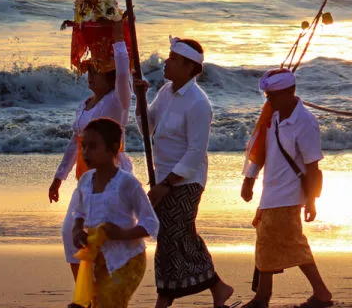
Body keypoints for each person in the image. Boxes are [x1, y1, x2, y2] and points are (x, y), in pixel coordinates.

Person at [141, 38, 234, 308]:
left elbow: (194, 153)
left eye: (172, 58)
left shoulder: (198, 103)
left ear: (187, 65)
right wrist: (141, 97)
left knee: (173, 235)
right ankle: (216, 288)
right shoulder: (165, 92)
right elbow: (148, 129)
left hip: (186, 180)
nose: (166, 62)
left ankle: (166, 299)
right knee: (175, 236)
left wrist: (166, 185)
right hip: (163, 177)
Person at [241, 69, 332, 308]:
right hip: (271, 191)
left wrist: (312, 201)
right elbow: (261, 151)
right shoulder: (273, 117)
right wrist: (249, 180)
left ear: (289, 93)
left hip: (289, 194)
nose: (268, 101)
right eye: (267, 97)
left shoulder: (305, 122)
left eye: (272, 96)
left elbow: (313, 166)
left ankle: (269, 296)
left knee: (283, 243)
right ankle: (266, 295)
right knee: (275, 243)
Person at [50, 40, 133, 280]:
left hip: (111, 179)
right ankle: (86, 293)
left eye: (97, 73)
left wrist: (118, 41)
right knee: (70, 233)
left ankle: (103, 294)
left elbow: (123, 73)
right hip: (85, 177)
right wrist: (59, 176)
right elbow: (74, 142)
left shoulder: (117, 102)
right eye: (90, 72)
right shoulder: (84, 106)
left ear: (110, 80)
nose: (91, 77)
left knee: (101, 237)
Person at [68, 118, 159, 308]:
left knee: (111, 299)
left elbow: (151, 223)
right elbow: (79, 212)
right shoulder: (85, 180)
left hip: (128, 259)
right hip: (98, 259)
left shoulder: (127, 183)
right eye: (84, 146)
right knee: (100, 301)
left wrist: (122, 234)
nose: (85, 152)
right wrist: (77, 230)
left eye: (93, 146)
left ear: (113, 148)